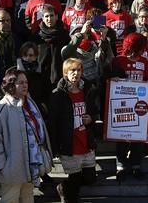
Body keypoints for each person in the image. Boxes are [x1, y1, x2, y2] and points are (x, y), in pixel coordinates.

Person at [0, 68, 53, 203]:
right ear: (10, 85)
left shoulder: (30, 103)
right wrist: (2, 167)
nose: (25, 85)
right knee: (10, 199)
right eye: (20, 82)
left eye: (26, 82)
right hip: (11, 169)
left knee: (28, 197)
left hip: (30, 164)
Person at [49, 58, 98, 203]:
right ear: (65, 73)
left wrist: (92, 118)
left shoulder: (89, 89)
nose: (75, 73)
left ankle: (63, 187)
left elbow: (95, 111)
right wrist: (55, 146)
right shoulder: (57, 94)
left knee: (90, 178)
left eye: (78, 70)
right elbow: (53, 122)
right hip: (69, 143)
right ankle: (67, 194)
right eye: (72, 70)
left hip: (86, 140)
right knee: (75, 181)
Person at [111, 33, 148, 181]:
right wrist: (113, 80)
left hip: (140, 106)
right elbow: (109, 80)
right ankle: (120, 166)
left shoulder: (144, 62)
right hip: (122, 105)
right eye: (139, 48)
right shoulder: (118, 60)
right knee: (121, 137)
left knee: (137, 138)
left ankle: (136, 166)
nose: (141, 51)